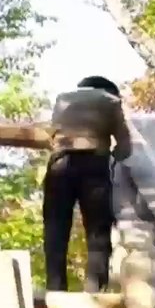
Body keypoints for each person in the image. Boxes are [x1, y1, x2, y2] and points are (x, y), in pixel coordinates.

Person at [42, 76, 133, 293]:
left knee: (55, 228)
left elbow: (52, 133)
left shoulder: (63, 99)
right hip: (93, 164)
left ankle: (55, 289)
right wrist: (115, 156)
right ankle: (94, 290)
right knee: (97, 230)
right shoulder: (110, 101)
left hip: (59, 163)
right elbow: (125, 145)